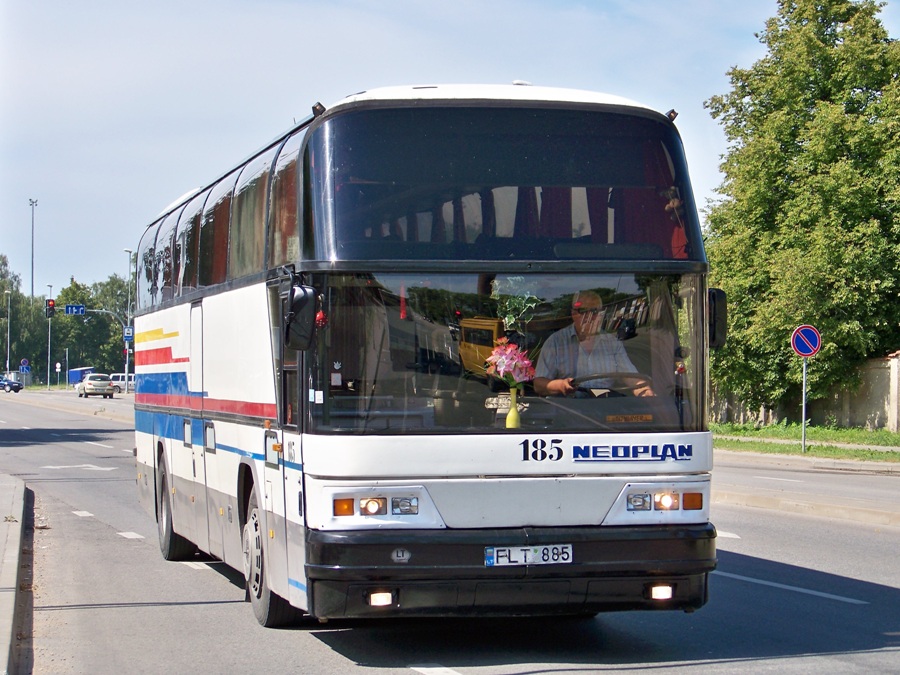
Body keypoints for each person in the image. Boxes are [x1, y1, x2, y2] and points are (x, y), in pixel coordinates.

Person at [533, 290, 653, 397]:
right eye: (583, 311)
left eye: (594, 311)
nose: (589, 316)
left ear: (600, 314)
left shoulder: (612, 343)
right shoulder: (555, 342)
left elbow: (631, 377)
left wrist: (644, 391)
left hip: (604, 407)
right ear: (574, 314)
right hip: (568, 407)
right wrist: (561, 385)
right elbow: (539, 384)